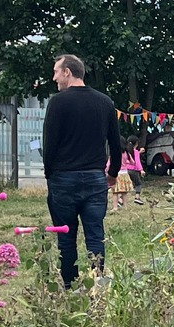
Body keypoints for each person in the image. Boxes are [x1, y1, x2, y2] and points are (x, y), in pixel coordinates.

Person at [41, 54, 123, 287]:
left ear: (68, 71)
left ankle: (70, 287)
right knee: (95, 234)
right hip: (96, 178)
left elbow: (50, 144)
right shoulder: (105, 102)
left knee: (65, 236)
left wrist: (50, 175)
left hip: (63, 178)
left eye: (56, 71)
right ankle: (97, 283)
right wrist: (113, 173)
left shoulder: (58, 102)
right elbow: (115, 143)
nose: (54, 77)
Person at [114, 138, 145, 210]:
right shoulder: (135, 152)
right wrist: (141, 170)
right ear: (136, 143)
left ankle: (120, 200)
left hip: (125, 171)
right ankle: (137, 197)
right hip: (134, 171)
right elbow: (136, 162)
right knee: (138, 184)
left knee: (123, 186)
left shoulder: (125, 151)